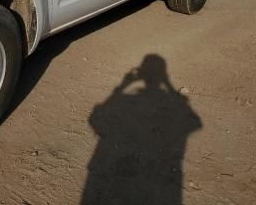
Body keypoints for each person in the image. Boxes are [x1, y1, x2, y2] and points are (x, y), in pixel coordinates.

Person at [82, 54, 202, 205]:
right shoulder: (173, 103)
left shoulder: (125, 100)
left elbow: (95, 119)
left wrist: (123, 85)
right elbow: (194, 122)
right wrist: (167, 84)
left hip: (105, 167)